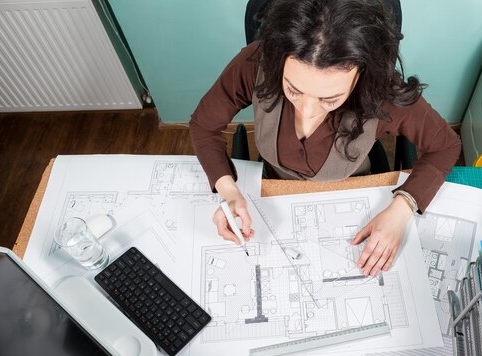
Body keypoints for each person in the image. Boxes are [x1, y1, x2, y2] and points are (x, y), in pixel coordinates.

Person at [190, 0, 461, 277]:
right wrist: (229, 192)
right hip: (273, 194)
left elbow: (446, 146)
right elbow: (203, 125)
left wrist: (402, 208)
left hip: (352, 201)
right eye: (293, 90)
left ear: (361, 74)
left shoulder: (382, 90)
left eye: (329, 99)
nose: (306, 113)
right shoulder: (258, 61)